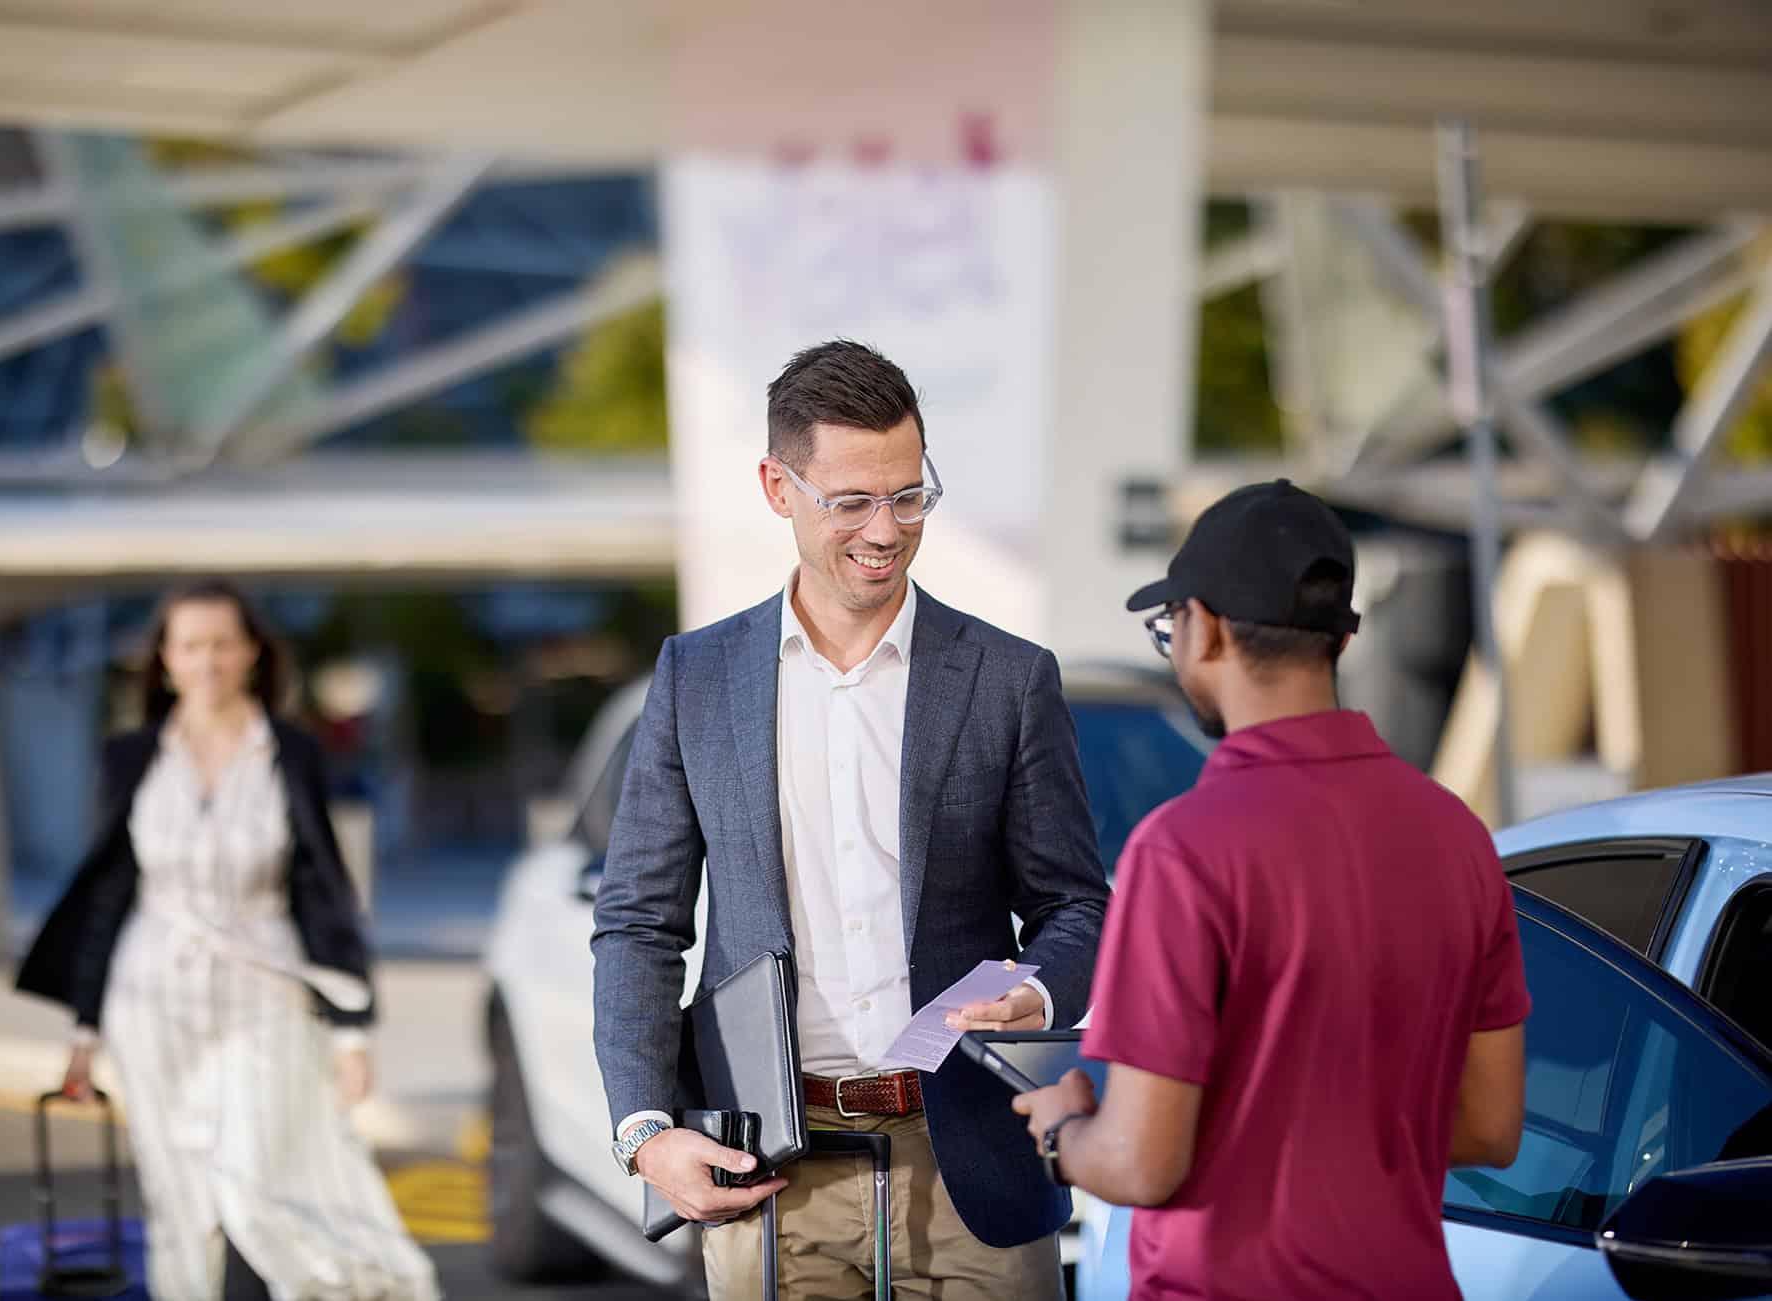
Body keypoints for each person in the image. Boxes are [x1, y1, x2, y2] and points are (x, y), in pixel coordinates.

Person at [592, 340, 1109, 1300]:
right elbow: (639, 923)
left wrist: (1036, 995)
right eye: (852, 501)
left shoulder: (1008, 677)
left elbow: (1076, 905)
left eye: (909, 495)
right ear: (777, 487)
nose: (887, 528)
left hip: (969, 1165)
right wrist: (645, 1131)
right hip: (771, 1172)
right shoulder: (696, 679)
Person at [1014, 480, 1530, 1300]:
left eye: (1168, 627)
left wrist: (1061, 1131)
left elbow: (1144, 1162)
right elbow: (1491, 1126)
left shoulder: (1182, 851)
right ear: (1337, 636)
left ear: (1207, 628)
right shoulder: (1459, 837)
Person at [16, 580, 437, 1301]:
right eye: (189, 645)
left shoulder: (291, 751)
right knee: (182, 1202)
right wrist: (84, 1029)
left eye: (221, 642)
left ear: (249, 652)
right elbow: (109, 893)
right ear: (165, 660)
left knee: (258, 1186)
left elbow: (321, 888)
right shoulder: (131, 754)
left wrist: (351, 1033)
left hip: (262, 990)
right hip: (150, 1000)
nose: (206, 659)